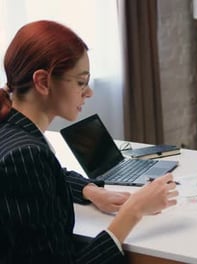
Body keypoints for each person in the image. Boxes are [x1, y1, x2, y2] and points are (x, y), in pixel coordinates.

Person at [0, 20, 178, 263]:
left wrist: (91, 191)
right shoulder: (25, 155)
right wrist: (133, 211)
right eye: (81, 82)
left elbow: (50, 176)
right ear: (42, 81)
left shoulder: (11, 127)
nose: (89, 92)